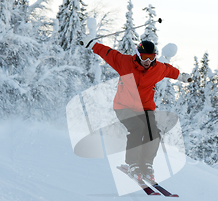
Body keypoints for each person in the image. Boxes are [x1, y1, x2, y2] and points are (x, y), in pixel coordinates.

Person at [81, 36, 190, 182]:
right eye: (144, 57)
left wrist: (182, 77)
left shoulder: (157, 69)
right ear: (138, 55)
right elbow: (108, 53)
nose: (148, 61)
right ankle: (133, 164)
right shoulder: (125, 63)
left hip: (145, 108)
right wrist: (92, 43)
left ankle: (146, 164)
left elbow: (169, 70)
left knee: (153, 133)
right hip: (123, 106)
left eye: (151, 58)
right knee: (138, 128)